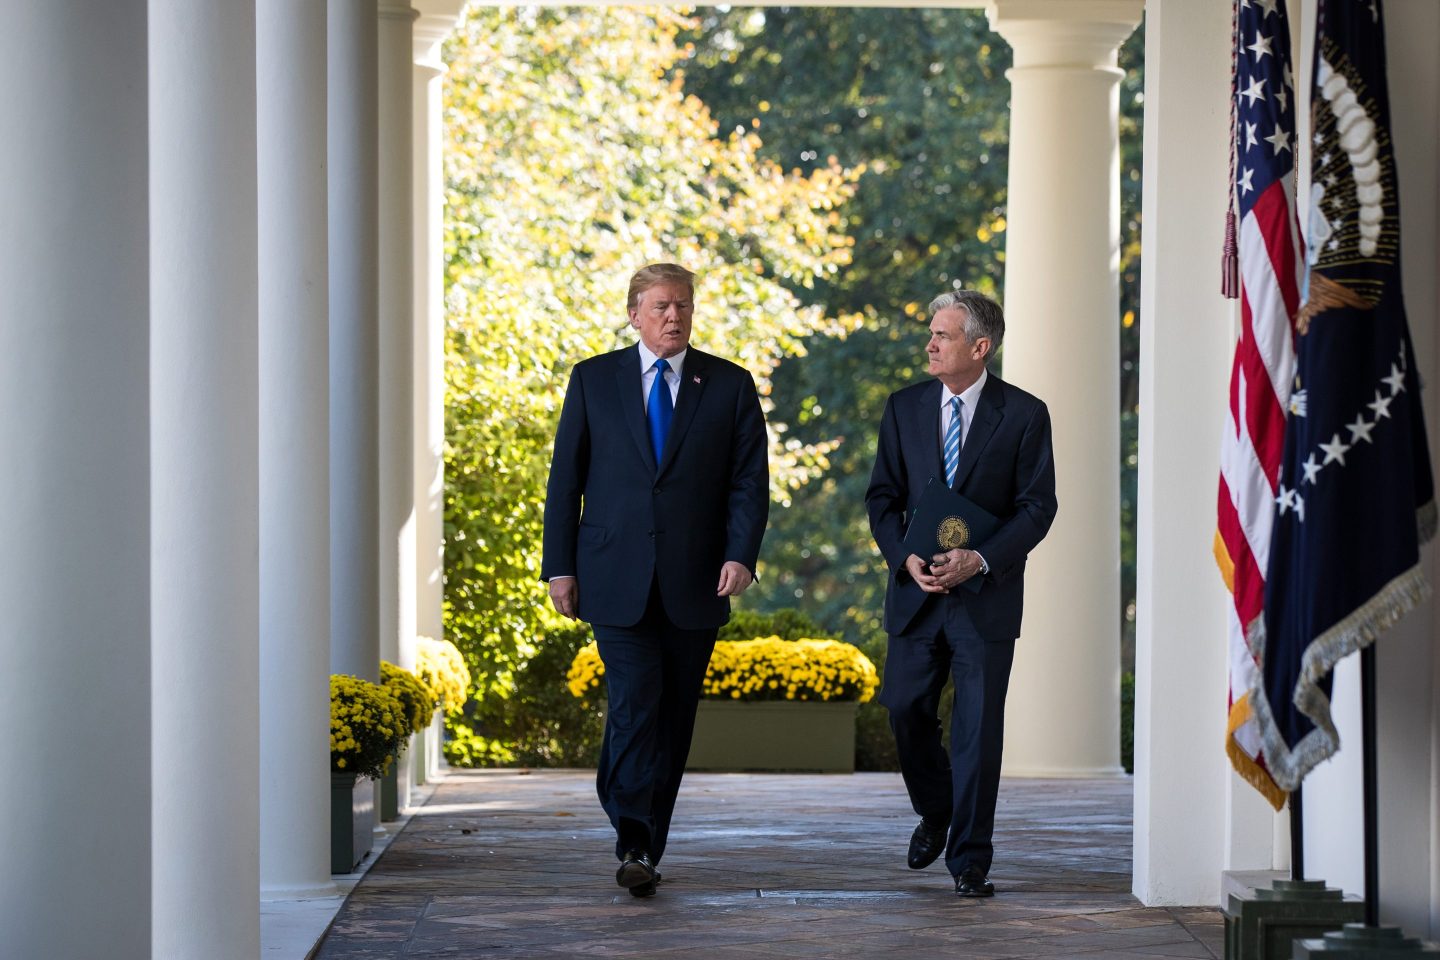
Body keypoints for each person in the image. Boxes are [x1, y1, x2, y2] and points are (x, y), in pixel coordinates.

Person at [541, 262, 769, 898]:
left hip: (698, 578)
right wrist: (559, 565)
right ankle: (635, 841)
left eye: (684, 306)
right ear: (634, 313)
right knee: (637, 701)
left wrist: (741, 554)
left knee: (672, 717)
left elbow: (749, 482)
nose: (675, 317)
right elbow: (567, 480)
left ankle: (642, 831)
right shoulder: (593, 379)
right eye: (663, 306)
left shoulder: (728, 385)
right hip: (612, 575)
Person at [865, 289, 1057, 898]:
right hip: (916, 593)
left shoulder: (1025, 415)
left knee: (977, 731)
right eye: (931, 332)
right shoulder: (902, 408)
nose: (930, 344)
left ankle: (970, 860)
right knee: (904, 709)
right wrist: (905, 556)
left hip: (984, 599)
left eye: (942, 335)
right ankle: (937, 810)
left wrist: (979, 558)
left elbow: (1037, 508)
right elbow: (882, 499)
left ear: (980, 346)